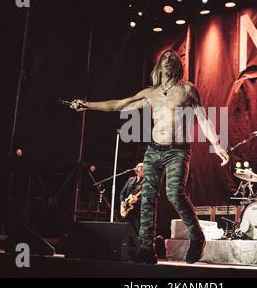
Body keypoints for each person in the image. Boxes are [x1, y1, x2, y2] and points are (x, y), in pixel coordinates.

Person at [70, 49, 229, 264]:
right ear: (159, 65)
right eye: (164, 58)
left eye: (172, 58)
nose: (168, 60)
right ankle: (147, 248)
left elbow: (202, 118)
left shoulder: (187, 90)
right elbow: (119, 105)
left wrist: (217, 144)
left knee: (174, 194)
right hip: (154, 149)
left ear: (178, 65)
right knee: (147, 198)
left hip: (178, 150)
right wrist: (87, 105)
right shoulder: (150, 93)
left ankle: (197, 236)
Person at [119, 163, 144, 234]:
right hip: (127, 208)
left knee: (137, 230)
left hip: (138, 211)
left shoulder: (146, 182)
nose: (139, 168)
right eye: (138, 167)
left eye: (141, 168)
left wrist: (137, 200)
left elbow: (147, 197)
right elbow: (122, 193)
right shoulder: (130, 180)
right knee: (127, 230)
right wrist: (122, 202)